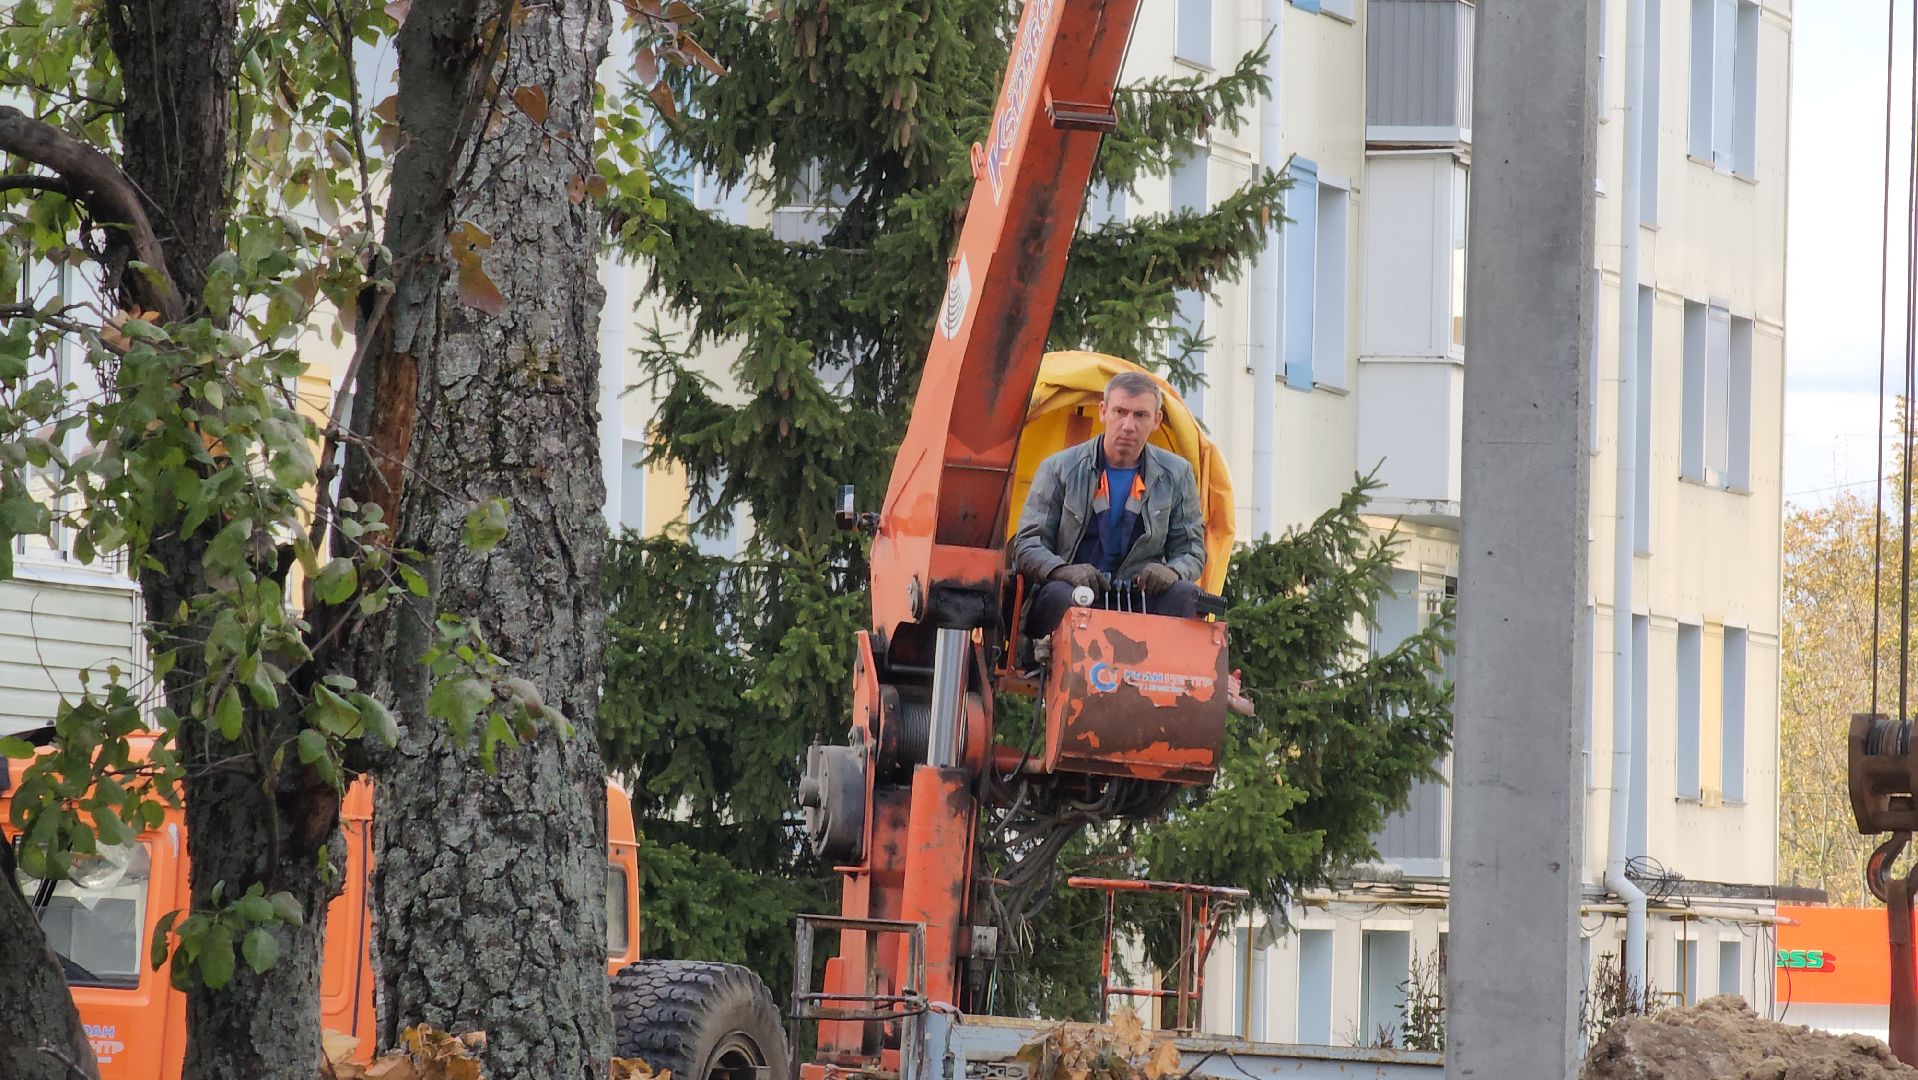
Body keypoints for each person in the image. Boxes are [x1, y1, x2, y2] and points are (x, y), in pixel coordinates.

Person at [1012, 370, 1207, 641]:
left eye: (1140, 415)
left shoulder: (1177, 474)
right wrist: (1064, 571)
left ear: (1156, 420)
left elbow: (1192, 550)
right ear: (1103, 412)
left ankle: (1168, 676)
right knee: (1061, 595)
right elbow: (1027, 545)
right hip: (1074, 593)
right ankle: (1054, 670)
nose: (1128, 425)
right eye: (1120, 412)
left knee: (1185, 594)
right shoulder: (1059, 468)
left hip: (1140, 598)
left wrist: (1172, 571)